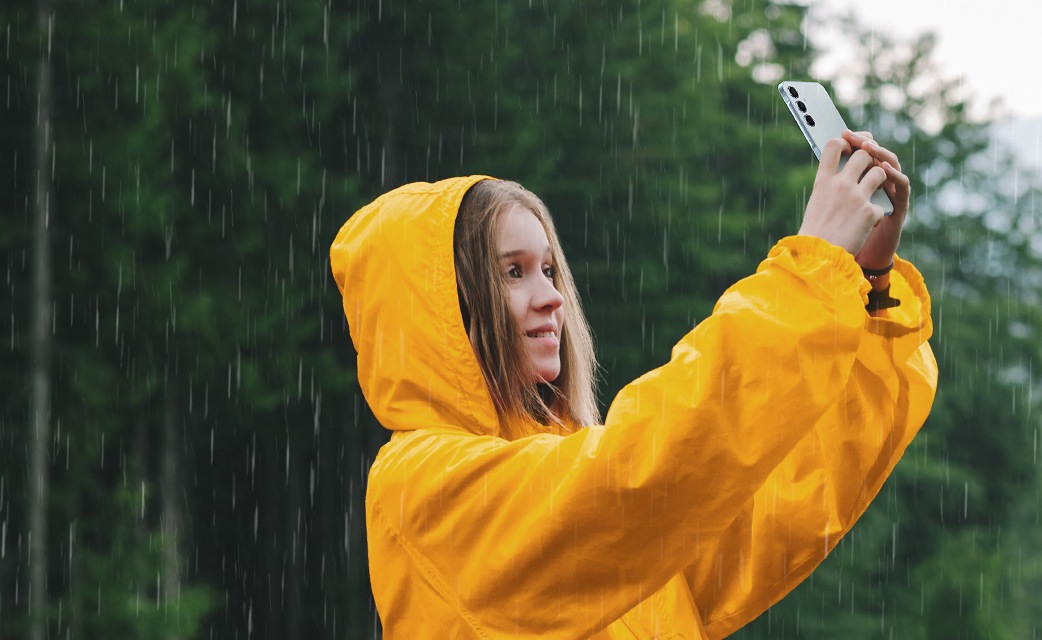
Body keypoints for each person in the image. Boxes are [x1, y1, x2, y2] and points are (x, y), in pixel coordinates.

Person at [329, 131, 938, 638]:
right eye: (511, 273)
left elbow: (779, 506)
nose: (550, 298)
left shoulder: (595, 490)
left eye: (548, 269)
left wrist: (867, 285)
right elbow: (641, 471)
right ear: (438, 309)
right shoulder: (421, 487)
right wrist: (809, 269)